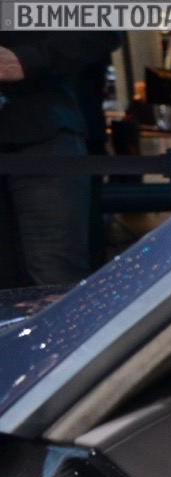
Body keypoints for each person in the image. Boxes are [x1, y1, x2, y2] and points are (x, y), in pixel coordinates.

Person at [0, 33, 121, 287]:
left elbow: (105, 28)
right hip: (42, 130)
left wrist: (26, 59)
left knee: (54, 275)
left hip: (39, 130)